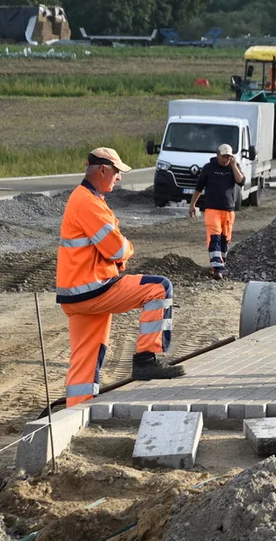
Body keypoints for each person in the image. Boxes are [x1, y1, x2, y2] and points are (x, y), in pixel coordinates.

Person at [56, 147, 184, 408]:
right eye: (116, 172)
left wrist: (119, 253)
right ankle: (146, 360)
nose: (119, 178)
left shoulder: (84, 199)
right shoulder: (88, 203)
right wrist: (127, 249)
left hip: (75, 295)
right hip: (94, 289)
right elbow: (116, 249)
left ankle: (76, 409)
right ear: (103, 170)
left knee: (86, 357)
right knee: (159, 288)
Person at [189, 143, 245, 280]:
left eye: (228, 157)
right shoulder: (209, 168)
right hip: (212, 209)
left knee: (225, 240)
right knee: (215, 238)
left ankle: (222, 264)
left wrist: (233, 166)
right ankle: (217, 268)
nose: (225, 159)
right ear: (217, 154)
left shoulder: (234, 168)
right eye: (223, 156)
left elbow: (241, 181)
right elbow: (199, 187)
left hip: (228, 210)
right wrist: (192, 205)